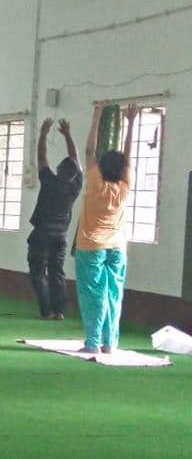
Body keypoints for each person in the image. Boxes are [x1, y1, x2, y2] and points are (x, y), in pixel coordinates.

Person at [75, 102, 138, 353]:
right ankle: (110, 342)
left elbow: (89, 149)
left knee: (93, 295)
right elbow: (128, 157)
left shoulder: (95, 184)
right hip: (117, 247)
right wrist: (131, 123)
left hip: (91, 246)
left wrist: (96, 115)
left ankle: (92, 342)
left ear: (101, 168)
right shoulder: (124, 187)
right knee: (114, 294)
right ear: (122, 170)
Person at [28, 117, 83, 320]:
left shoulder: (49, 181)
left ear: (59, 171)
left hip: (42, 233)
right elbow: (75, 160)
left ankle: (46, 310)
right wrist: (67, 135)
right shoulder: (75, 186)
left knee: (37, 272)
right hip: (61, 235)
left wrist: (42, 134)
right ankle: (60, 310)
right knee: (57, 271)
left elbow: (41, 156)